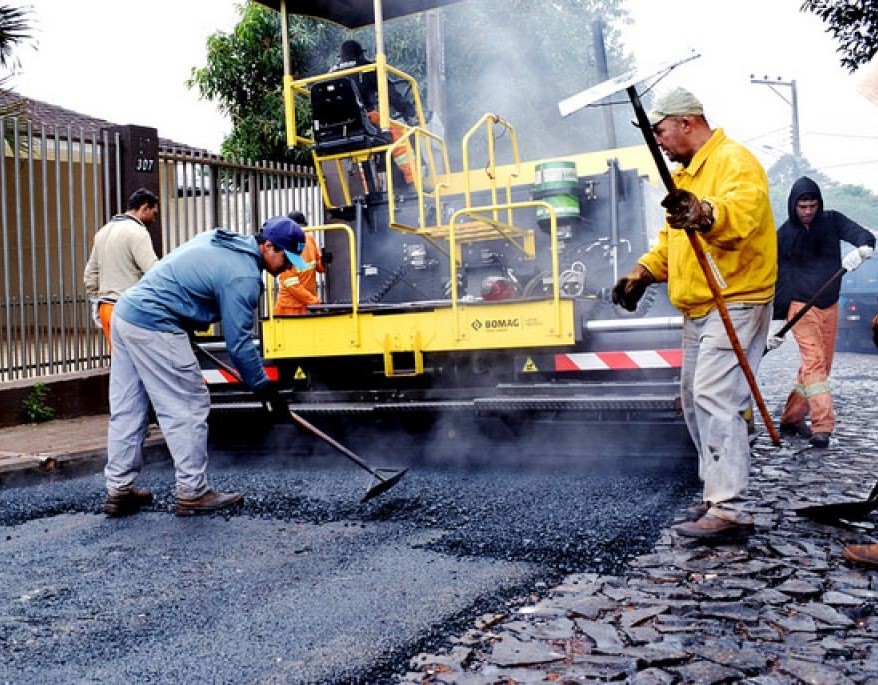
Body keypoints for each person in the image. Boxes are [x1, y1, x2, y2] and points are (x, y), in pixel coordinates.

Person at [612, 87, 776, 539]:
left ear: (686, 123)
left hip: (736, 298)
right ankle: (715, 491)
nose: (658, 141)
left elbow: (739, 214)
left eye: (660, 131)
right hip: (699, 306)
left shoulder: (734, 161)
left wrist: (704, 213)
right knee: (693, 400)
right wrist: (643, 273)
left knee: (715, 398)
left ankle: (730, 510)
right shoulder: (684, 177)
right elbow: (672, 244)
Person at [102, 216, 308, 517]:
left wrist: (186, 318)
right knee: (188, 403)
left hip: (126, 313)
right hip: (155, 321)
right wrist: (264, 389)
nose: (288, 267)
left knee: (129, 407)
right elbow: (239, 345)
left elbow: (186, 280)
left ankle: (119, 489)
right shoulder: (244, 277)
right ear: (267, 246)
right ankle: (193, 492)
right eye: (286, 258)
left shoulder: (222, 240)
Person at [772, 177, 875, 448]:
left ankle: (792, 418)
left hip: (829, 303)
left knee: (818, 367)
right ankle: (823, 425)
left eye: (812, 206)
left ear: (819, 204)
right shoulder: (784, 235)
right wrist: (778, 320)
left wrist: (864, 248)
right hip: (800, 306)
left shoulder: (832, 221)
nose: (808, 211)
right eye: (802, 207)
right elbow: (781, 278)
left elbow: (861, 234)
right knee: (815, 363)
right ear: (793, 206)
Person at [83, 188, 160, 348]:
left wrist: (97, 300)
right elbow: (153, 271)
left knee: (118, 359)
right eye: (154, 213)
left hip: (106, 308)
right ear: (144, 207)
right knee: (138, 359)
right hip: (129, 310)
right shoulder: (137, 232)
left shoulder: (102, 232)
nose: (154, 219)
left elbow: (90, 274)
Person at [334, 39, 417, 186]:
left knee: (359, 154)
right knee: (400, 136)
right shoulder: (368, 68)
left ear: (341, 57)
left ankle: (368, 189)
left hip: (338, 127)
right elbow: (391, 95)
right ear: (360, 54)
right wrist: (409, 112)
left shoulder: (331, 74)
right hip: (366, 119)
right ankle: (413, 180)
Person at [274, 211, 326, 316]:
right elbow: (292, 285)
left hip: (306, 306)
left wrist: (324, 261)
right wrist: (314, 302)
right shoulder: (285, 249)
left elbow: (318, 266)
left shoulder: (309, 239)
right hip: (289, 309)